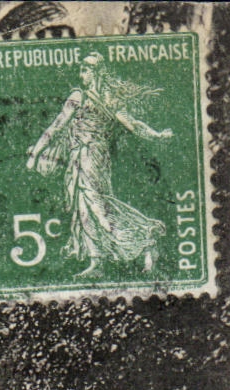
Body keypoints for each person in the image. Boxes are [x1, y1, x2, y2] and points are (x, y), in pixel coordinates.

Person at [25, 53, 173, 279]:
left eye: (85, 70)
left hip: (94, 158)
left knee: (97, 206)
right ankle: (98, 262)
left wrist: (157, 135)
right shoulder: (78, 96)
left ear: (97, 73)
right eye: (81, 70)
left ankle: (145, 239)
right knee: (84, 208)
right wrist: (36, 151)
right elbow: (56, 126)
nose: (81, 75)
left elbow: (133, 124)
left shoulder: (107, 99)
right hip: (79, 157)